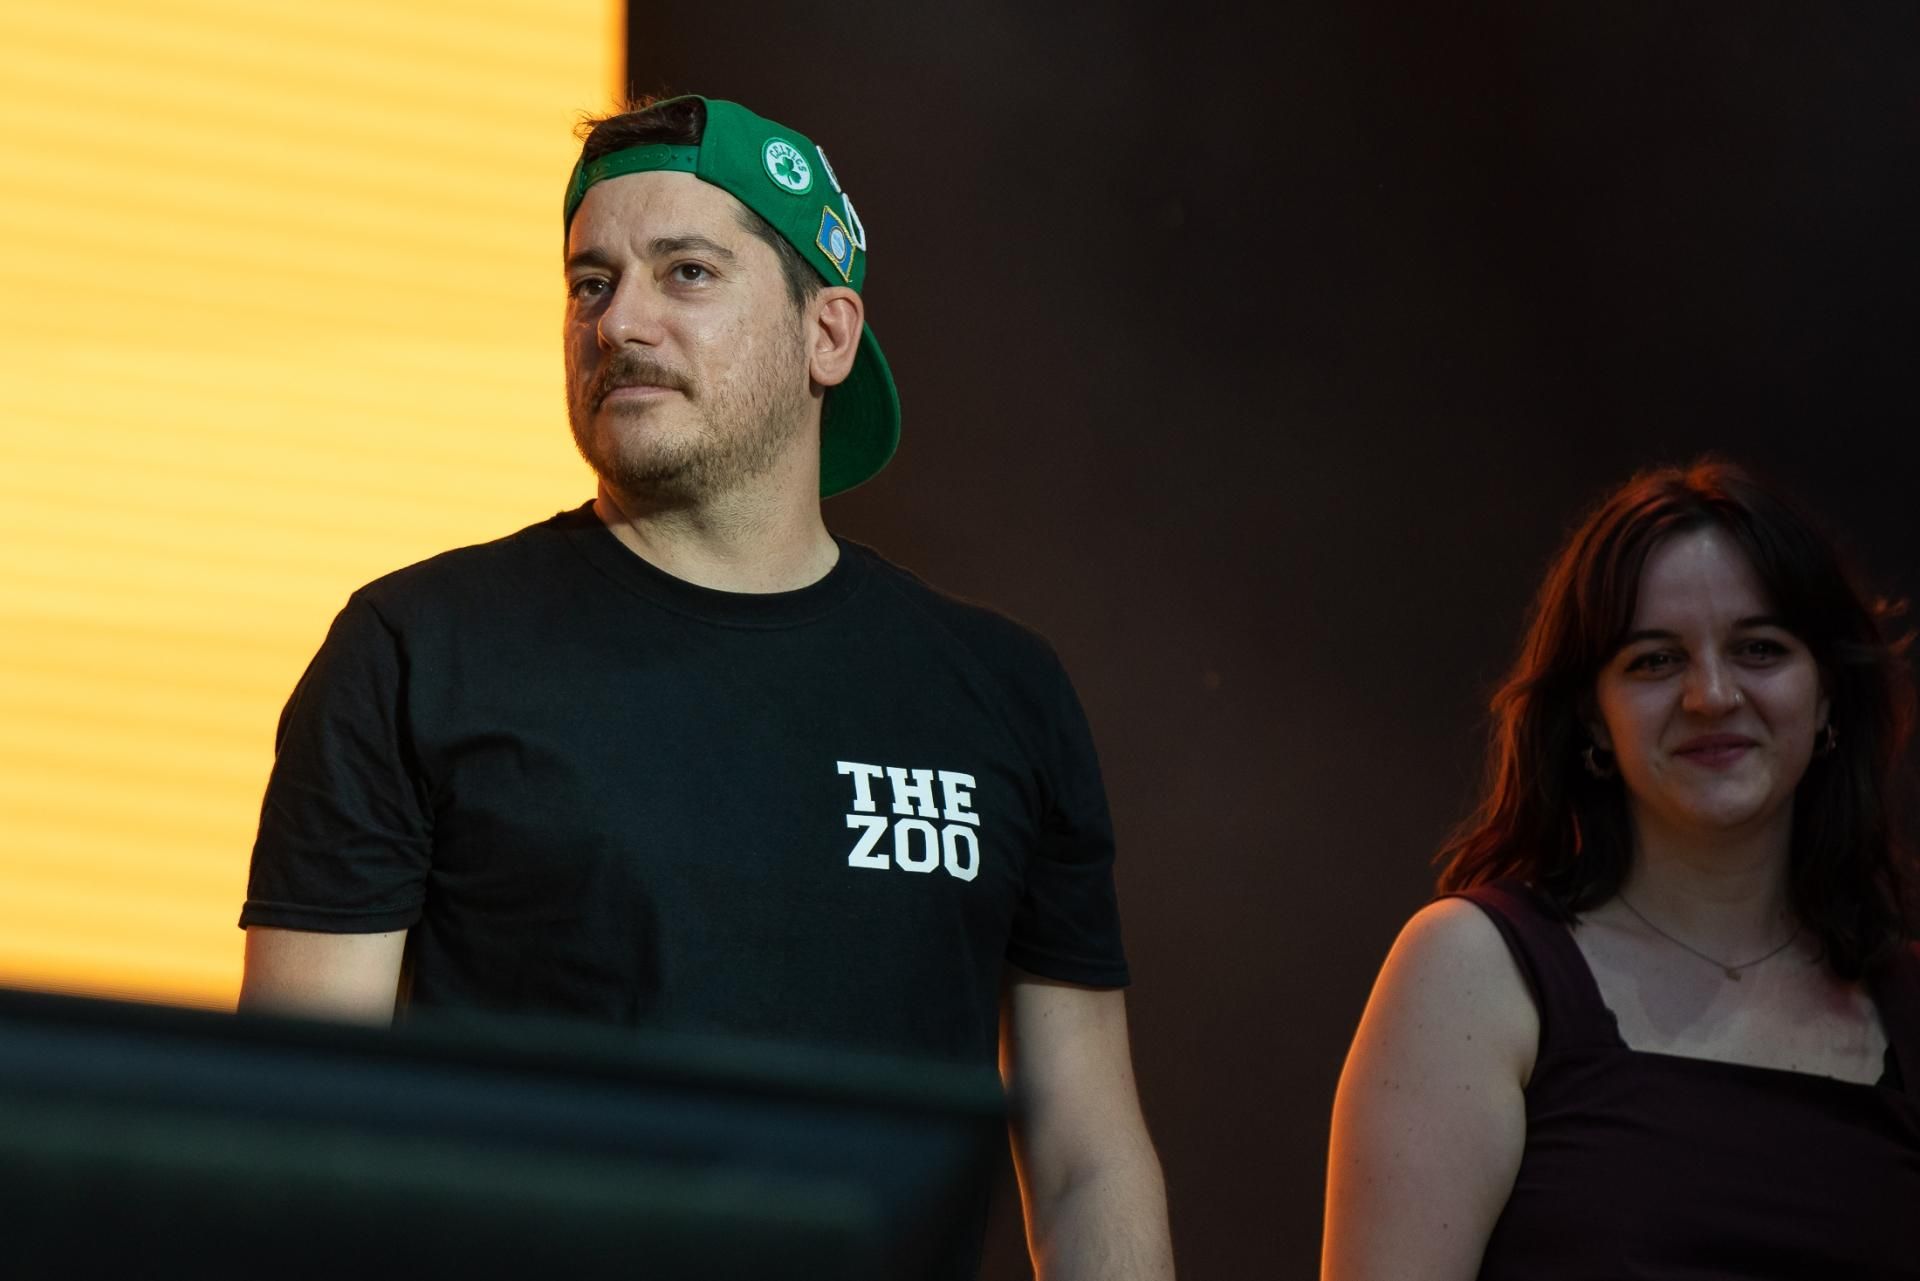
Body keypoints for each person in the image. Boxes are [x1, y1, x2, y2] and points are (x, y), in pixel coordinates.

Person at [237, 94, 1173, 1281]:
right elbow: (291, 1138)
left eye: (687, 273)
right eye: (590, 283)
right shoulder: (414, 650)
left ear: (828, 334)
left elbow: (1086, 1158)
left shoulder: (1002, 692)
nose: (619, 321)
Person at [1322, 459, 1920, 1279]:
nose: (1712, 695)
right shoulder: (1474, 972)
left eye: (1759, 648)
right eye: (1654, 661)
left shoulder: (1905, 1000)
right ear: (1592, 717)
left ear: (1827, 698)